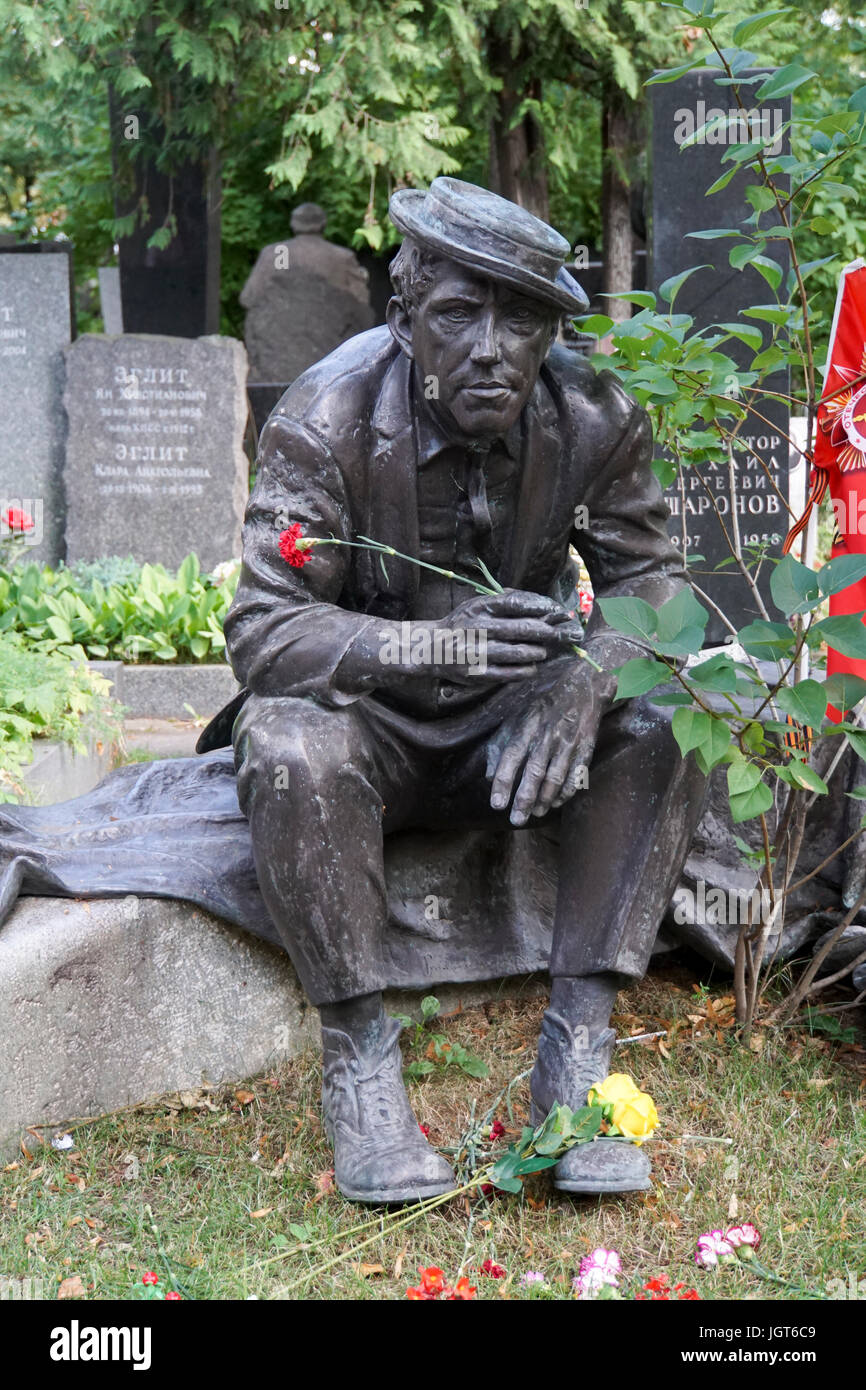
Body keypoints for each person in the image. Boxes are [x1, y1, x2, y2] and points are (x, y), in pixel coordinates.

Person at [222, 177, 707, 1204]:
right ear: (405, 320)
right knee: (286, 742)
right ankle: (359, 1058)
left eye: (519, 320)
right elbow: (264, 631)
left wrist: (580, 679)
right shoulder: (324, 418)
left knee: (664, 707)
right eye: (456, 315)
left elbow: (653, 587)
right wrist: (427, 648)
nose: (488, 347)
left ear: (547, 335)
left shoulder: (594, 415)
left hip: (519, 722)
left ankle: (576, 1048)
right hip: (372, 722)